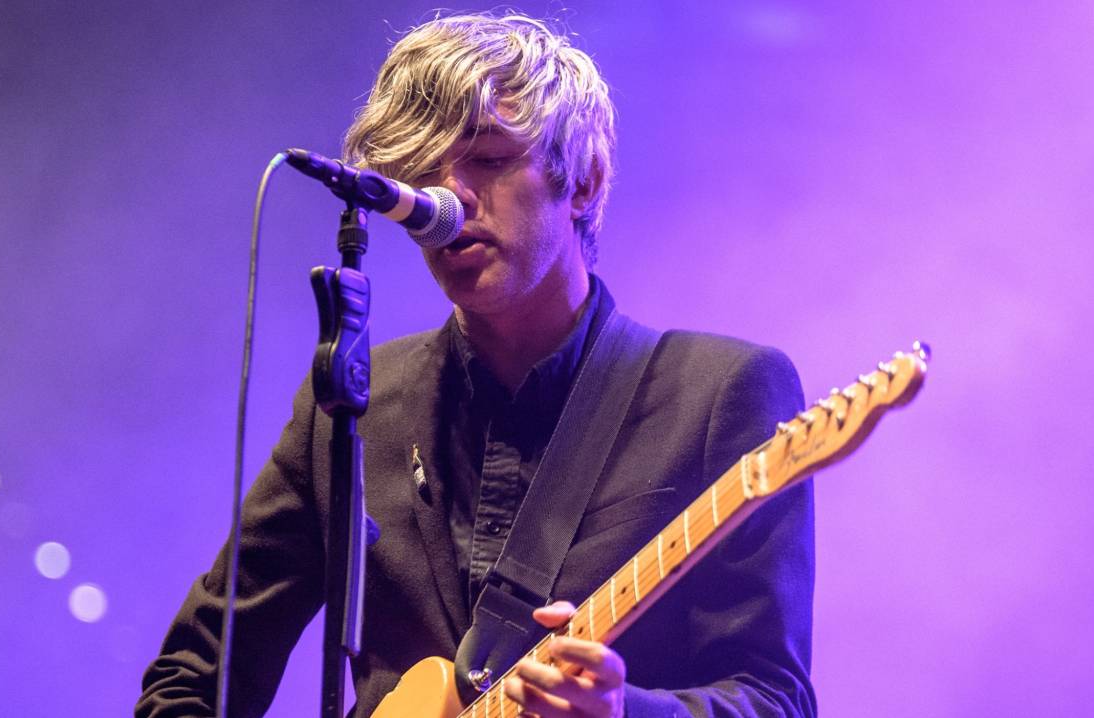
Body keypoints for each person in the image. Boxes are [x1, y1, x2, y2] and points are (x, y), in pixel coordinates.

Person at [138, 12, 814, 718]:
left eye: (487, 160)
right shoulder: (351, 408)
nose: (446, 199)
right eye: (418, 175)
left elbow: (774, 699)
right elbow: (191, 681)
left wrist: (626, 713)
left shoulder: (718, 394)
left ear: (580, 182)